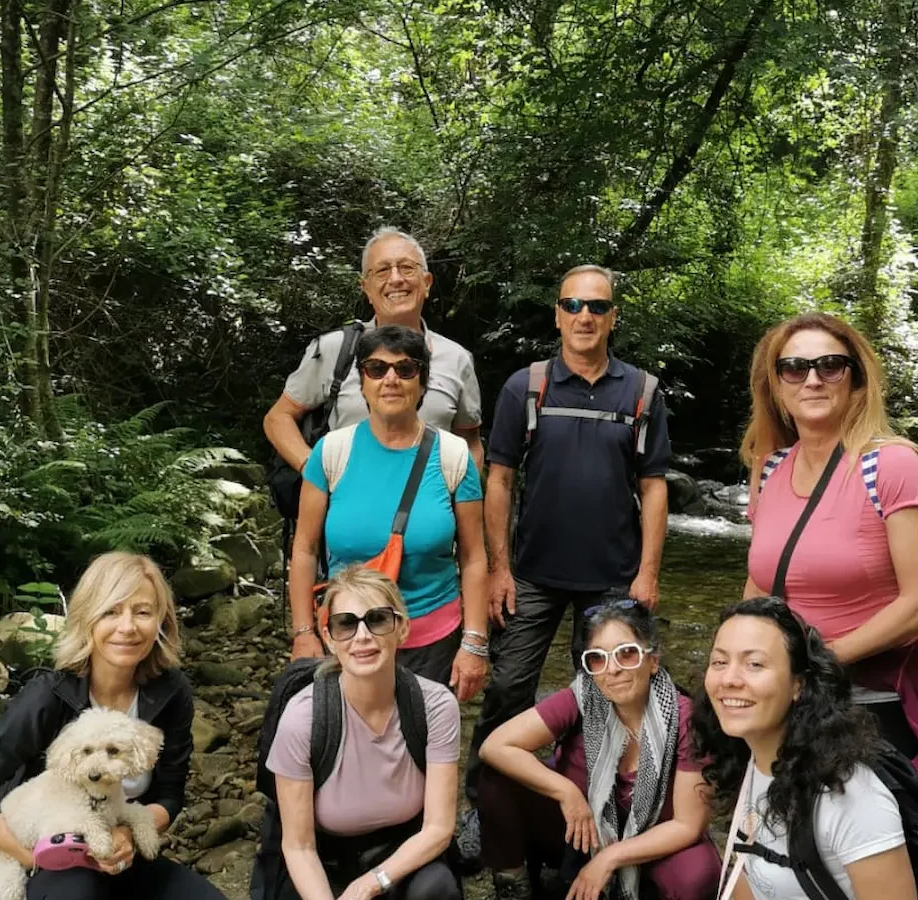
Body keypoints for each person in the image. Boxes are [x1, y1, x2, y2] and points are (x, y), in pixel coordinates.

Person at [463, 265, 671, 845]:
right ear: (557, 314)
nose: (585, 316)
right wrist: (498, 568)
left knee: (614, 691)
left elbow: (654, 486)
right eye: (573, 305)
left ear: (613, 318)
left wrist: (648, 572)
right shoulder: (524, 387)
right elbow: (498, 478)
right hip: (531, 573)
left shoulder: (643, 392)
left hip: (613, 579)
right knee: (508, 687)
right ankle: (487, 806)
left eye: (598, 307)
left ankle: (608, 804)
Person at [739, 311, 918, 819]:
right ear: (776, 385)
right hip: (787, 698)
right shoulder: (770, 468)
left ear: (856, 381)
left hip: (874, 705)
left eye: (830, 366)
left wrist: (819, 663)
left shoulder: (893, 465)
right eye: (794, 367)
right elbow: (762, 578)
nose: (812, 378)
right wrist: (737, 659)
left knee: (873, 860)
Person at [0, 552, 226, 900]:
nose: (127, 627)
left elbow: (169, 794)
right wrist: (33, 858)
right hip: (54, 862)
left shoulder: (169, 691)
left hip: (122, 851)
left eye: (142, 611)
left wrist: (127, 835)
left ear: (161, 621)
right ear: (87, 619)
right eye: (111, 611)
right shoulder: (48, 697)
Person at [286, 325, 489, 699]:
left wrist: (474, 643)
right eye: (377, 369)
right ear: (362, 382)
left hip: (431, 640)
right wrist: (304, 634)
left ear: (423, 383)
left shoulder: (453, 456)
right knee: (344, 747)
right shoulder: (332, 452)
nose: (390, 379)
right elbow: (304, 549)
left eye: (406, 369)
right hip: (349, 635)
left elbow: (475, 557)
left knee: (421, 747)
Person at [475, 600, 718, 900]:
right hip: (580, 831)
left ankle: (634, 885)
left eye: (627, 654)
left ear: (653, 660)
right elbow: (495, 746)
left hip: (654, 841)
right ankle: (515, 884)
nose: (612, 669)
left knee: (699, 874)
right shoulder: (582, 697)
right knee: (497, 776)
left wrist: (610, 857)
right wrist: (566, 791)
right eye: (598, 658)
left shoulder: (687, 721)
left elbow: (687, 825)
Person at [693, 596, 916, 900]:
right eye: (719, 661)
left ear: (798, 685)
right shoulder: (750, 762)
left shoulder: (850, 796)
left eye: (754, 664)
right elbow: (752, 880)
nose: (730, 679)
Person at [268, 566, 462, 900]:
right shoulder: (304, 717)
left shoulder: (435, 707)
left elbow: (438, 828)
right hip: (324, 862)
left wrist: (372, 883)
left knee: (436, 889)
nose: (362, 636)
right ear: (328, 638)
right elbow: (298, 846)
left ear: (402, 629)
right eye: (345, 624)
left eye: (377, 619)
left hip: (402, 860)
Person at [263, 227, 484, 476]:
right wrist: (315, 473)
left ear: (427, 283)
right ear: (366, 288)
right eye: (382, 270)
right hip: (348, 506)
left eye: (407, 268)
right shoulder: (336, 349)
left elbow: (470, 442)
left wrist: (463, 500)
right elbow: (278, 418)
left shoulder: (457, 359)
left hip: (431, 508)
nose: (396, 279)